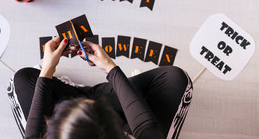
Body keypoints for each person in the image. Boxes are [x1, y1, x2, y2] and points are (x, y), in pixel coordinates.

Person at [10, 37, 193, 139]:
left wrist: (48, 69)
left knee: (20, 79)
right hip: (127, 125)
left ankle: (86, 94)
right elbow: (147, 126)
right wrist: (110, 68)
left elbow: (33, 134)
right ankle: (115, 96)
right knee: (177, 79)